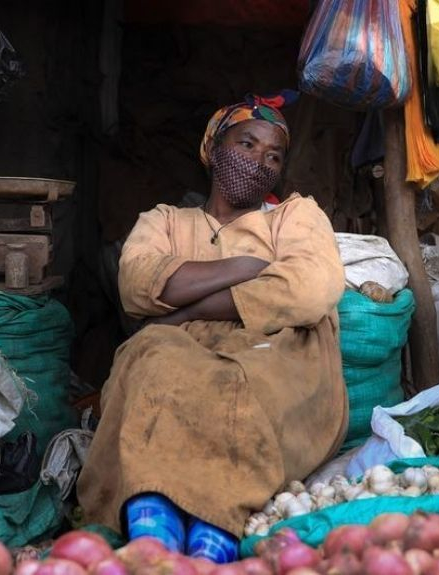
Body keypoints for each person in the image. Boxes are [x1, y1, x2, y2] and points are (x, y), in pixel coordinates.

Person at [76, 93, 348, 563]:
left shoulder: (295, 215)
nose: (260, 161)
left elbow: (309, 288)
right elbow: (137, 283)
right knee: (155, 356)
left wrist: (184, 311)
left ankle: (213, 527)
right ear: (212, 148)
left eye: (274, 156)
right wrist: (248, 265)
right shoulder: (164, 220)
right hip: (175, 348)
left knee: (237, 384)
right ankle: (152, 518)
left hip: (274, 352)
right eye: (246, 144)